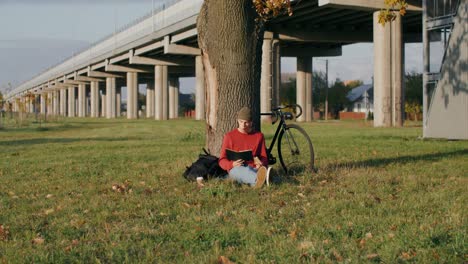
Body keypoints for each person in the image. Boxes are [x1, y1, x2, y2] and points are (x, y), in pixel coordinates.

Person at [218, 107, 270, 188]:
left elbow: (264, 157)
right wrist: (232, 164)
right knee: (240, 171)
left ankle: (259, 180)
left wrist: (261, 164)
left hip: (254, 168)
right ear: (238, 120)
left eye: (246, 122)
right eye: (241, 122)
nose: (243, 125)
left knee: (252, 170)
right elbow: (222, 160)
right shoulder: (229, 136)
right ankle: (261, 179)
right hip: (236, 168)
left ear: (251, 122)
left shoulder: (259, 136)